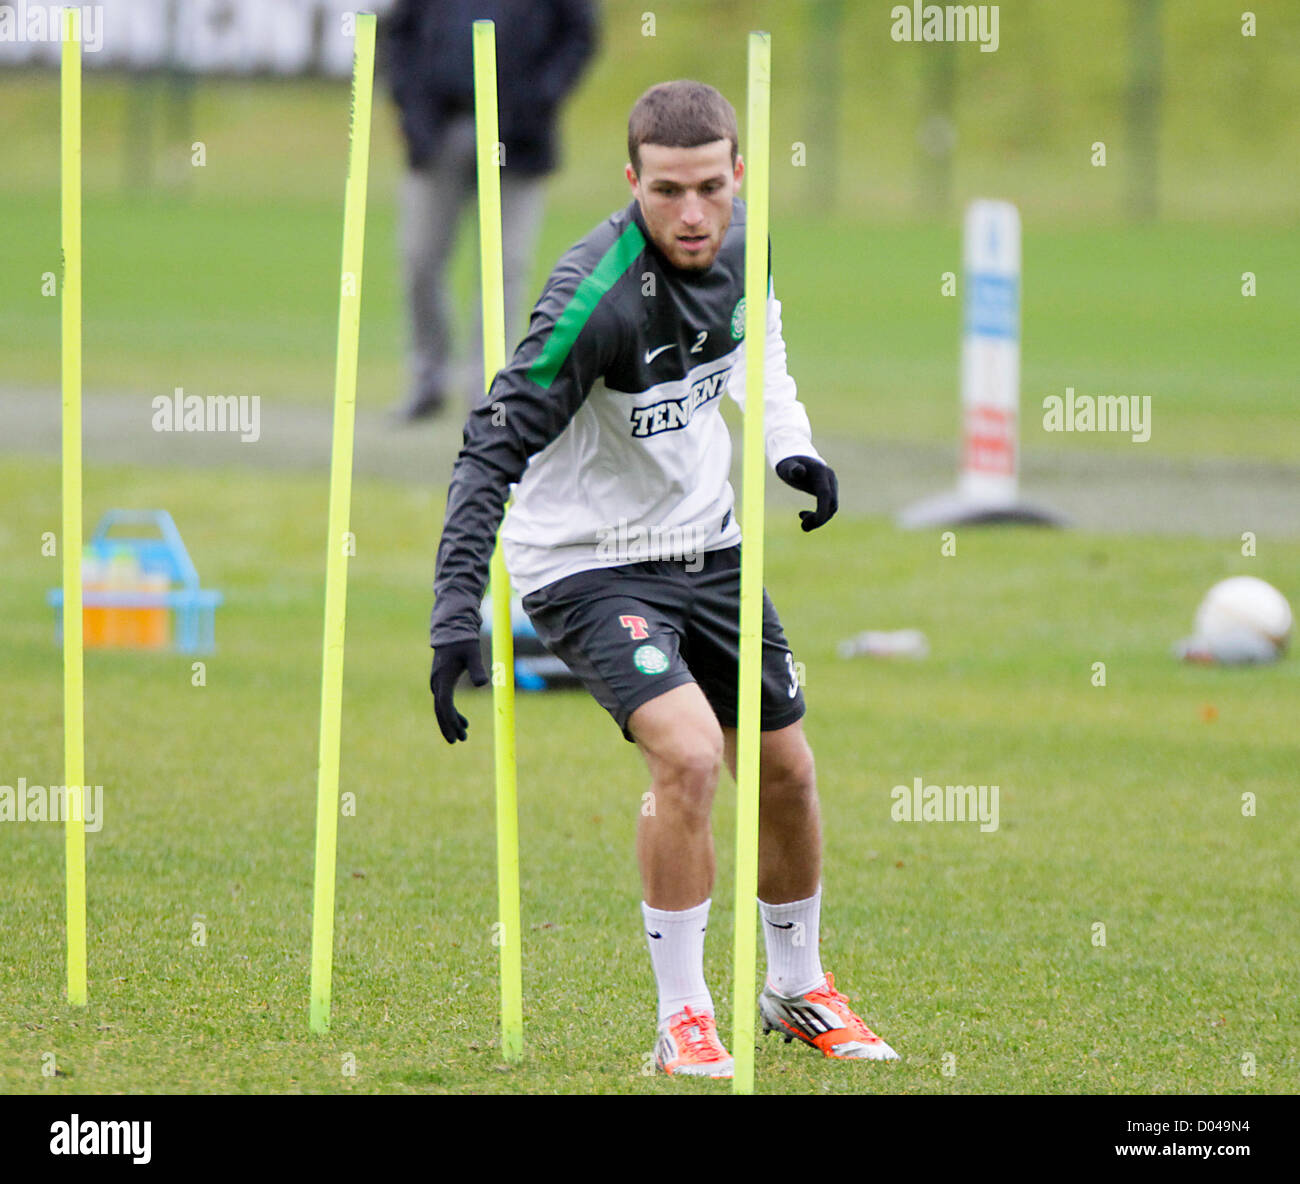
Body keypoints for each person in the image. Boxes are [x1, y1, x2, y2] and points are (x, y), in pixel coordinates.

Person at [428, 80, 899, 1078]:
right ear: (631, 181)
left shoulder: (743, 238)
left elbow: (758, 346)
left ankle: (796, 986)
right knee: (686, 755)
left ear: (738, 177)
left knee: (787, 770)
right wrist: (452, 611)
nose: (692, 215)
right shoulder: (590, 299)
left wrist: (790, 448)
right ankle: (683, 1016)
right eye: (667, 192)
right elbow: (486, 451)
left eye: (710, 189)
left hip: (711, 543)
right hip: (586, 563)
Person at [386, 0, 597, 420]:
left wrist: (539, 100)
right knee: (419, 258)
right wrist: (412, 108)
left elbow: (579, 36)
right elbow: (397, 34)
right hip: (440, 128)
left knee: (503, 269)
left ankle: (487, 388)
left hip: (519, 137)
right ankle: (429, 377)